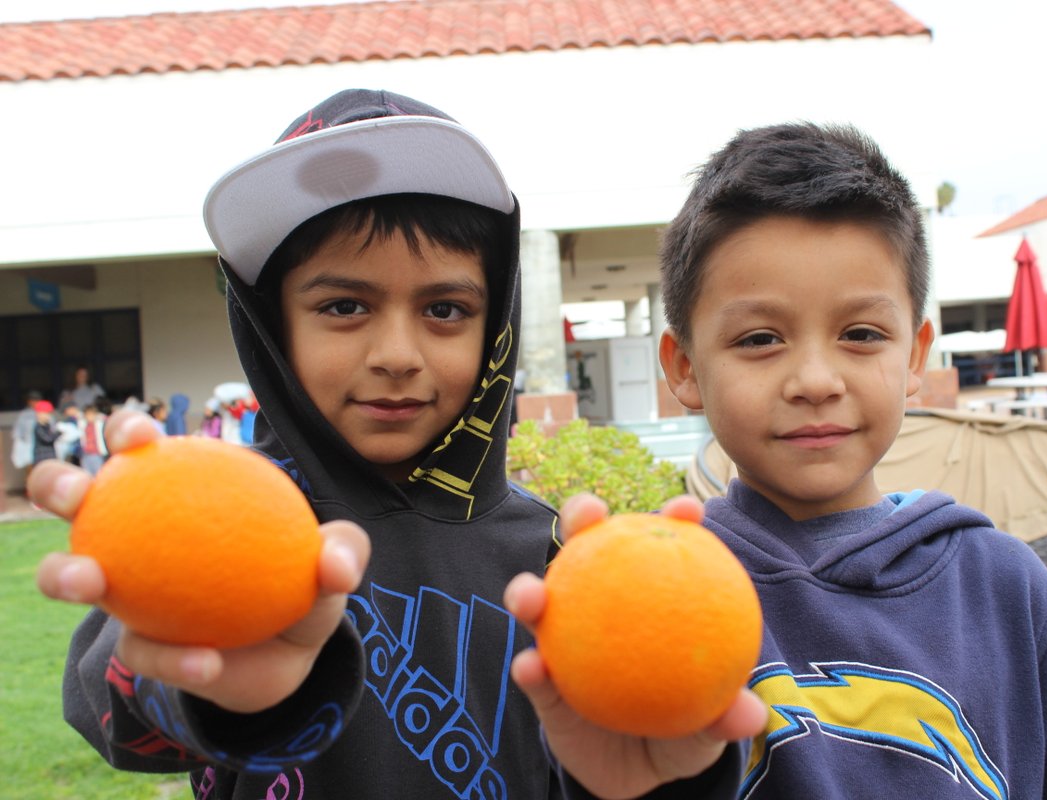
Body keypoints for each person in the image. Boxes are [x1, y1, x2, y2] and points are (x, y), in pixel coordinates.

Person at [27, 88, 759, 800]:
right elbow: (116, 720)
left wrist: (672, 776)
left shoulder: (550, 557)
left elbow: (604, 764)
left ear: (493, 327)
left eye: (445, 309)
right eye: (344, 306)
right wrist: (206, 680)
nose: (396, 354)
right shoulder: (221, 522)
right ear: (273, 328)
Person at [652, 122, 1047, 796]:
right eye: (761, 338)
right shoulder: (669, 596)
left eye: (860, 334)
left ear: (915, 356)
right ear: (684, 367)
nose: (816, 380)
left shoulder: (1005, 589)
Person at [10, 390, 41, 473]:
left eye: (36, 400)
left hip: (42, 447)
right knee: (30, 469)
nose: (34, 403)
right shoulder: (24, 414)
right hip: (29, 445)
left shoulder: (44, 412)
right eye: (32, 401)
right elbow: (17, 431)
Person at [78, 404, 109, 476]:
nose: (89, 417)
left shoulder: (100, 424)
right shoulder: (83, 424)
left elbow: (107, 418)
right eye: (87, 415)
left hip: (96, 453)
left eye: (91, 415)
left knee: (99, 474)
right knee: (87, 475)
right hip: (85, 454)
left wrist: (100, 417)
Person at [31, 400, 60, 465]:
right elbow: (47, 439)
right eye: (45, 413)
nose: (47, 416)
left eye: (49, 413)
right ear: (38, 414)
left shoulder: (48, 426)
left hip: (50, 457)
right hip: (41, 459)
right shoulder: (38, 427)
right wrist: (58, 433)